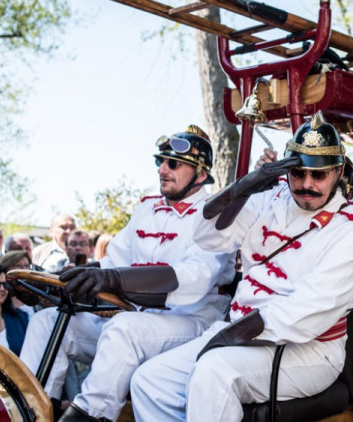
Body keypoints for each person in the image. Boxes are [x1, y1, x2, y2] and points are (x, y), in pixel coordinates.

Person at [130, 117, 353, 422]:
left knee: (213, 371)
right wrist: (244, 187)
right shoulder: (268, 198)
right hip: (238, 332)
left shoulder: (352, 230)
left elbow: (306, 312)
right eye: (298, 172)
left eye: (319, 175)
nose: (307, 184)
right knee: (150, 381)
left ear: (338, 172)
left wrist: (233, 335)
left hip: (308, 350)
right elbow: (209, 236)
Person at [20, 125, 235, 421]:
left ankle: (91, 415)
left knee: (124, 328)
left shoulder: (215, 213)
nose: (162, 169)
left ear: (200, 174)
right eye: (160, 161)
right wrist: (63, 282)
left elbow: (195, 278)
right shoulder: (146, 209)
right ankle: (30, 410)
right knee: (48, 321)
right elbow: (112, 264)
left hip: (191, 321)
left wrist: (114, 280)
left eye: (173, 163)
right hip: (136, 319)